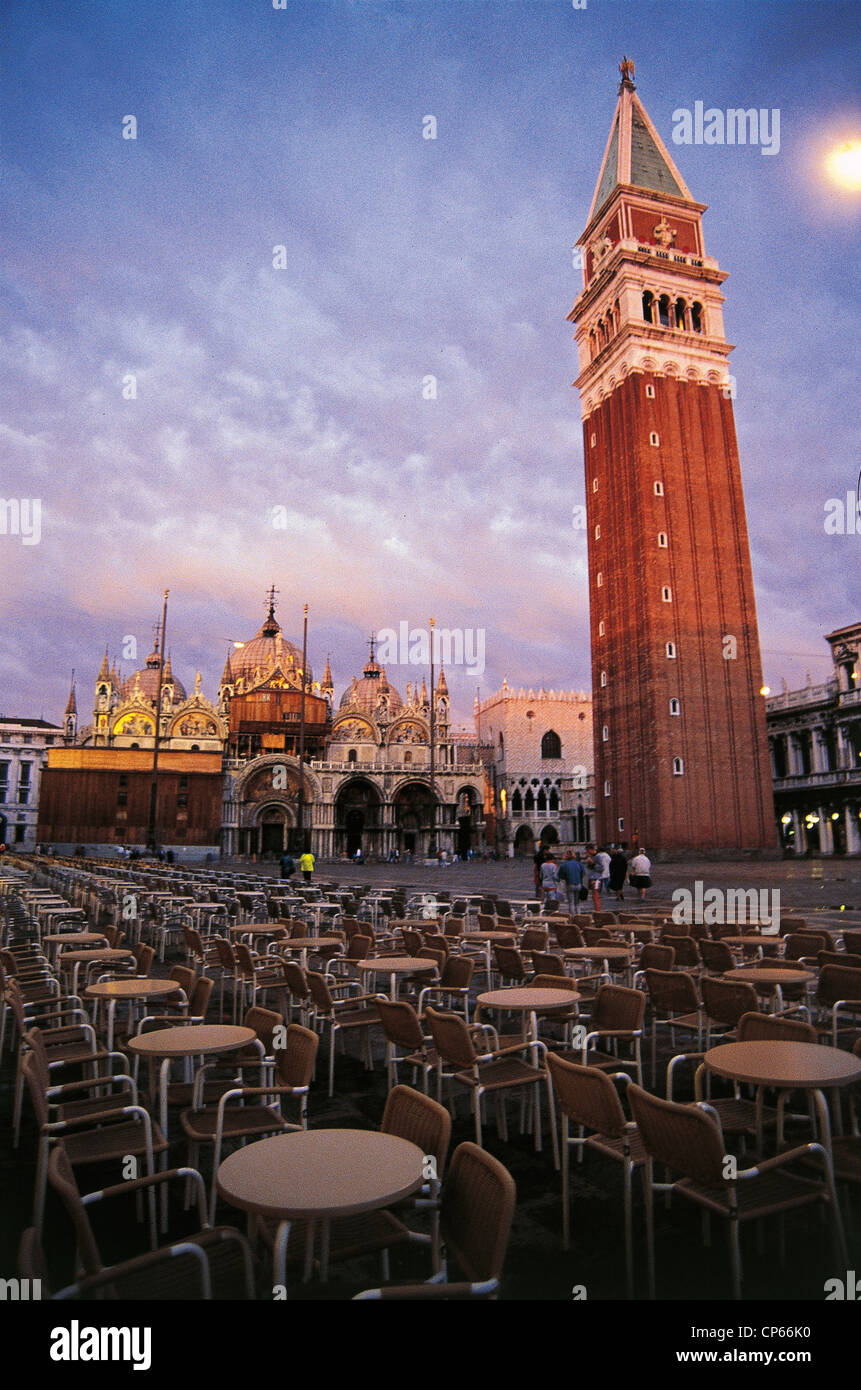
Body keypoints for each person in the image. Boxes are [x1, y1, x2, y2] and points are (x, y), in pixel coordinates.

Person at [557, 850, 584, 915]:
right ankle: (579, 915)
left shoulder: (564, 865)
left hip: (569, 884)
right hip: (578, 884)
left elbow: (560, 875)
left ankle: (573, 917)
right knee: (577, 902)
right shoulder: (579, 864)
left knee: (571, 902)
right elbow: (583, 873)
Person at [585, 845, 603, 912]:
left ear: (591, 849)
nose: (588, 853)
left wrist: (593, 863)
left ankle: (598, 911)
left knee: (596, 895)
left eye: (588, 851)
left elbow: (601, 868)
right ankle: (597, 910)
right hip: (592, 877)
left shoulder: (598, 856)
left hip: (596, 878)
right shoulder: (591, 856)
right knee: (593, 895)